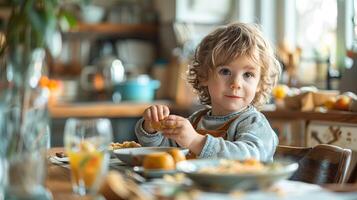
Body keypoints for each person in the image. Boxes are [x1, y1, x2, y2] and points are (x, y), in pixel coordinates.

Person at [135, 22, 281, 162]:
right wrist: (151, 128)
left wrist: (196, 141)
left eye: (248, 75)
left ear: (259, 84)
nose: (236, 83)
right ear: (204, 76)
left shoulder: (254, 123)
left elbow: (251, 158)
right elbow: (165, 153)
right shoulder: (196, 121)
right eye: (225, 71)